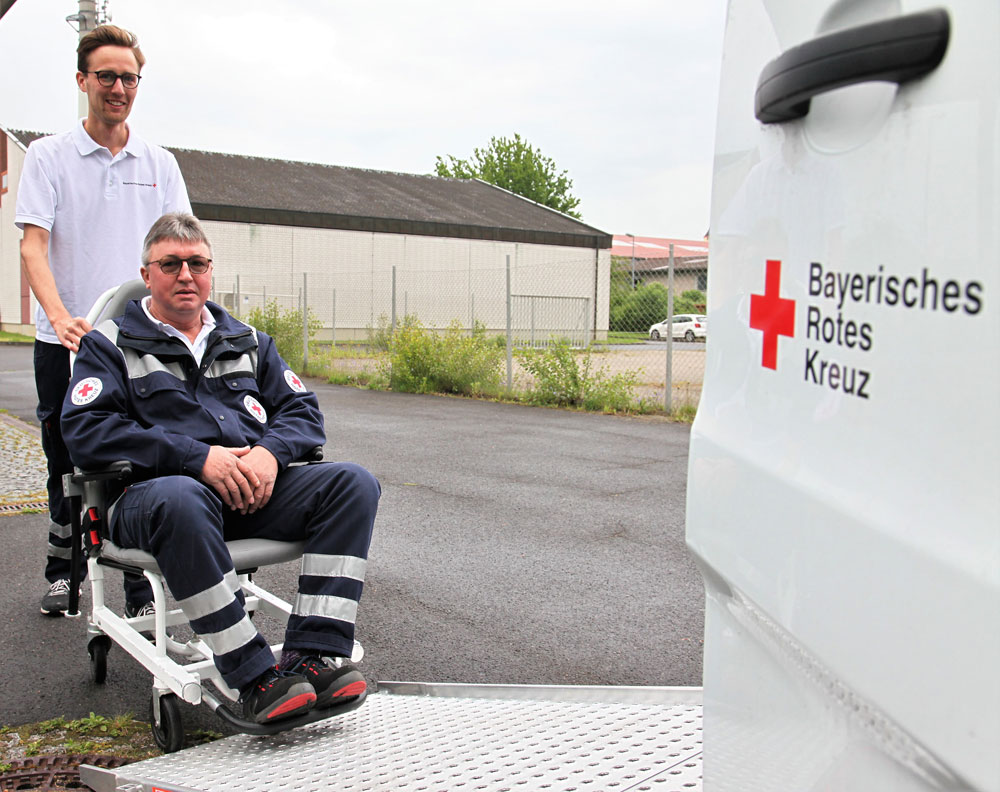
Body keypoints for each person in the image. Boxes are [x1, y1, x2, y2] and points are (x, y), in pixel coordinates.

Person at [61, 212, 380, 723]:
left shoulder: (247, 340)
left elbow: (302, 412)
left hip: (246, 495)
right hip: (154, 502)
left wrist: (268, 455)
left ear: (211, 271)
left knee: (352, 485)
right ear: (148, 275)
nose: (185, 274)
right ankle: (253, 677)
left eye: (197, 263)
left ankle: (314, 655)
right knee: (182, 497)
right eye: (170, 264)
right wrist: (197, 459)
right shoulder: (109, 343)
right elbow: (85, 431)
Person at [15, 24, 191, 617]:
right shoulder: (47, 157)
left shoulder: (160, 164)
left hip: (137, 344)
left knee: (138, 458)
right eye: (107, 76)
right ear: (83, 81)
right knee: (66, 460)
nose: (118, 87)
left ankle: (139, 592)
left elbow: (180, 246)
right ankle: (63, 572)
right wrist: (61, 316)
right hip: (65, 342)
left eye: (129, 78)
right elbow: (33, 246)